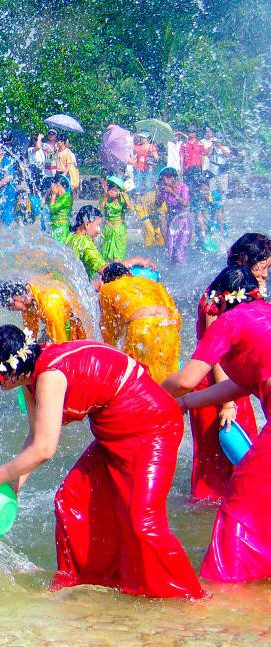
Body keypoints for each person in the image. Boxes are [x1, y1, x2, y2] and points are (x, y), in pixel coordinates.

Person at [0, 326, 203, 599]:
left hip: (153, 428)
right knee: (70, 502)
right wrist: (11, 488)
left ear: (12, 365)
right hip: (112, 434)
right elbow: (35, 439)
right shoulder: (30, 379)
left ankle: (190, 597)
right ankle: (89, 584)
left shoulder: (50, 375)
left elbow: (45, 449)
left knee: (144, 522)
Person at [162, 266, 271, 583]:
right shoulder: (264, 314)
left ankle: (227, 585)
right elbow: (242, 383)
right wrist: (186, 403)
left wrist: (148, 391)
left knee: (239, 504)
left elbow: (186, 378)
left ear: (218, 299)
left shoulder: (229, 321)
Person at [185, 236, 269, 501]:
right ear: (245, 263)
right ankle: (208, 520)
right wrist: (228, 403)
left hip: (234, 385)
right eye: (263, 267)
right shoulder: (219, 298)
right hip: (216, 388)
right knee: (214, 469)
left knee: (244, 456)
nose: (266, 273)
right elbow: (216, 357)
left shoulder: (241, 290)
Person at [98, 263, 181, 383]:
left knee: (137, 377)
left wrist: (110, 351)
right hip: (169, 325)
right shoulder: (152, 283)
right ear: (130, 274)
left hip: (142, 327)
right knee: (168, 379)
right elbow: (175, 314)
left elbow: (109, 328)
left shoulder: (107, 288)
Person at [0, 279, 87, 345]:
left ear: (17, 296)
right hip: (59, 323)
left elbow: (61, 345)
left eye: (10, 305)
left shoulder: (50, 303)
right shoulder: (28, 298)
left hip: (73, 325)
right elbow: (30, 335)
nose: (10, 309)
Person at [158, 167, 191, 265]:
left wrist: (172, 193)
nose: (163, 182)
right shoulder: (165, 191)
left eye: (164, 180)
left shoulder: (183, 187)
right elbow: (158, 205)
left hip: (183, 223)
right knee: (170, 251)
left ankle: (182, 274)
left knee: (180, 252)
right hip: (171, 223)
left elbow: (185, 203)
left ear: (171, 178)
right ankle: (172, 275)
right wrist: (158, 194)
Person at [66, 206, 106, 279]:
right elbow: (105, 270)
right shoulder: (84, 242)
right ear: (87, 224)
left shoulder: (71, 238)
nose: (99, 231)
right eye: (98, 226)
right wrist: (132, 261)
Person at [98, 177, 132, 262]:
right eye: (112, 189)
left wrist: (124, 196)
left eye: (116, 190)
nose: (114, 192)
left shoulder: (123, 197)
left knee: (118, 259)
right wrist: (106, 197)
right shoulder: (105, 197)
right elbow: (99, 209)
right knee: (104, 258)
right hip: (107, 229)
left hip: (119, 230)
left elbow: (132, 209)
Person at [194, 172, 226, 245]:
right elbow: (200, 218)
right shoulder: (196, 199)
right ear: (199, 190)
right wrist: (203, 235)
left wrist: (222, 232)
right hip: (202, 223)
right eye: (203, 190)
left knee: (221, 241)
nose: (205, 193)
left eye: (206, 189)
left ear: (209, 189)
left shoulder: (215, 196)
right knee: (201, 243)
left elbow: (219, 216)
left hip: (215, 222)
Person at [0, 144, 18, 226]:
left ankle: (10, 232)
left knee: (7, 212)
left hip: (8, 191)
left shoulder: (6, 161)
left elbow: (8, 178)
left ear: (1, 150)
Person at [47, 174, 73, 243]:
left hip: (61, 231)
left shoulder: (66, 197)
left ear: (57, 185)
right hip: (54, 230)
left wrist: (54, 194)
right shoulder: (58, 198)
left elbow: (52, 209)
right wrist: (47, 195)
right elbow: (43, 206)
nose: (51, 189)